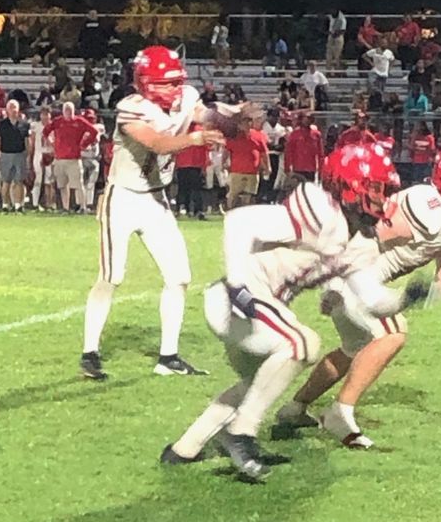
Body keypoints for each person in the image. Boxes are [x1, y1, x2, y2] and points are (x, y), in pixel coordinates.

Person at [161, 144, 406, 477]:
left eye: (385, 190)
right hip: (235, 300)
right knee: (302, 344)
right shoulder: (321, 211)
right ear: (348, 185)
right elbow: (239, 221)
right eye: (377, 188)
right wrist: (237, 284)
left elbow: (373, 299)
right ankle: (241, 434)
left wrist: (406, 298)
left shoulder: (360, 243)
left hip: (262, 311)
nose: (382, 197)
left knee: (258, 382)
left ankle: (183, 450)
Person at [276, 143, 441, 449]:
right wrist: (335, 282)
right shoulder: (425, 205)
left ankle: (294, 408)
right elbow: (364, 234)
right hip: (353, 275)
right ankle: (341, 412)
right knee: (393, 333)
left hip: (364, 279)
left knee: (356, 349)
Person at [81, 45, 227, 381]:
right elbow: (159, 143)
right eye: (166, 83)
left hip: (156, 200)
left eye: (177, 81)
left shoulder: (186, 97)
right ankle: (90, 352)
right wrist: (196, 138)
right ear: (146, 82)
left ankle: (168, 356)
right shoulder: (131, 109)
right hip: (123, 199)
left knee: (179, 276)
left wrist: (231, 117)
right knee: (111, 276)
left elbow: (205, 114)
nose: (174, 89)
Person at [42, 101, 98, 214]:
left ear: (73, 111)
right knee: (62, 185)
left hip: (74, 158)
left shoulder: (79, 121)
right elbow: (46, 131)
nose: (68, 112)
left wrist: (84, 144)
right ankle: (65, 207)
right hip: (60, 158)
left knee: (78, 184)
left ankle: (83, 207)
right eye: (66, 109)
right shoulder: (58, 121)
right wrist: (51, 142)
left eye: (70, 109)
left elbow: (94, 131)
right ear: (63, 111)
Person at [0, 99, 32, 214]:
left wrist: (28, 157)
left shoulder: (24, 125)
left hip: (20, 155)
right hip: (6, 155)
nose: (13, 110)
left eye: (15, 107)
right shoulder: (1, 125)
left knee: (19, 181)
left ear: (18, 109)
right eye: (10, 107)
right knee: (6, 182)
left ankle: (18, 205)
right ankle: (5, 205)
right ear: (7, 110)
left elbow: (27, 142)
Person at [225, 114, 270, 209]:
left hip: (253, 171)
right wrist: (224, 163)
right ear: (240, 124)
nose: (247, 124)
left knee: (249, 195)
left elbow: (264, 153)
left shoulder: (258, 135)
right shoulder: (234, 136)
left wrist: (268, 167)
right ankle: (230, 211)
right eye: (244, 122)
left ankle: (245, 213)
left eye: (249, 121)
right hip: (237, 170)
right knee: (234, 194)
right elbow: (227, 151)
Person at [175, 125, 208, 219]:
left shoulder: (200, 130)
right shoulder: (181, 130)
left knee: (195, 190)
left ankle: (197, 210)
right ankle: (184, 209)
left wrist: (204, 166)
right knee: (184, 189)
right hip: (183, 164)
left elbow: (205, 148)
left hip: (195, 165)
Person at [283, 111, 323, 183]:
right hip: (298, 168)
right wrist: (287, 167)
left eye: (310, 118)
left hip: (311, 169)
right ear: (301, 119)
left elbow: (320, 154)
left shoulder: (316, 134)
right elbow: (288, 152)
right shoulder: (294, 134)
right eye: (305, 118)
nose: (307, 120)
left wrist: (321, 170)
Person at [80, 108, 105, 212]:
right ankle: (82, 205)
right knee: (82, 183)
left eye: (92, 119)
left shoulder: (98, 127)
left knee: (89, 183)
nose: (91, 121)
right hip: (83, 157)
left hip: (92, 158)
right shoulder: (81, 127)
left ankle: (87, 204)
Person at [29, 107, 53, 211]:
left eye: (47, 114)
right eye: (43, 114)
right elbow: (32, 142)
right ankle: (35, 203)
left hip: (50, 153)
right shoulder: (36, 126)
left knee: (49, 180)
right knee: (37, 179)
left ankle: (49, 204)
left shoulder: (53, 125)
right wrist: (30, 155)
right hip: (39, 153)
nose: (45, 116)